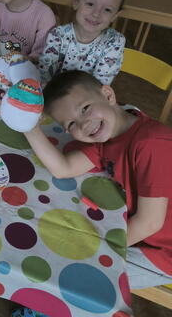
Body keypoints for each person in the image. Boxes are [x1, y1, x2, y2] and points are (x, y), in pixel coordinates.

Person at [24, 70, 172, 285]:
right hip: (139, 229)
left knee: (77, 278)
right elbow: (64, 168)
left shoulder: (151, 143)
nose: (84, 124)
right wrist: (28, 126)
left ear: (108, 95)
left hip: (164, 250)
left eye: (85, 108)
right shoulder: (110, 133)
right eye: (71, 124)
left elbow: (149, 223)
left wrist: (95, 252)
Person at [38, 0, 126, 85]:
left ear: (115, 15)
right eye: (90, 4)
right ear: (76, 1)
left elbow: (100, 86)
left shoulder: (114, 42)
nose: (96, 14)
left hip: (89, 94)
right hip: (54, 92)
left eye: (107, 10)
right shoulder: (57, 35)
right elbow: (44, 76)